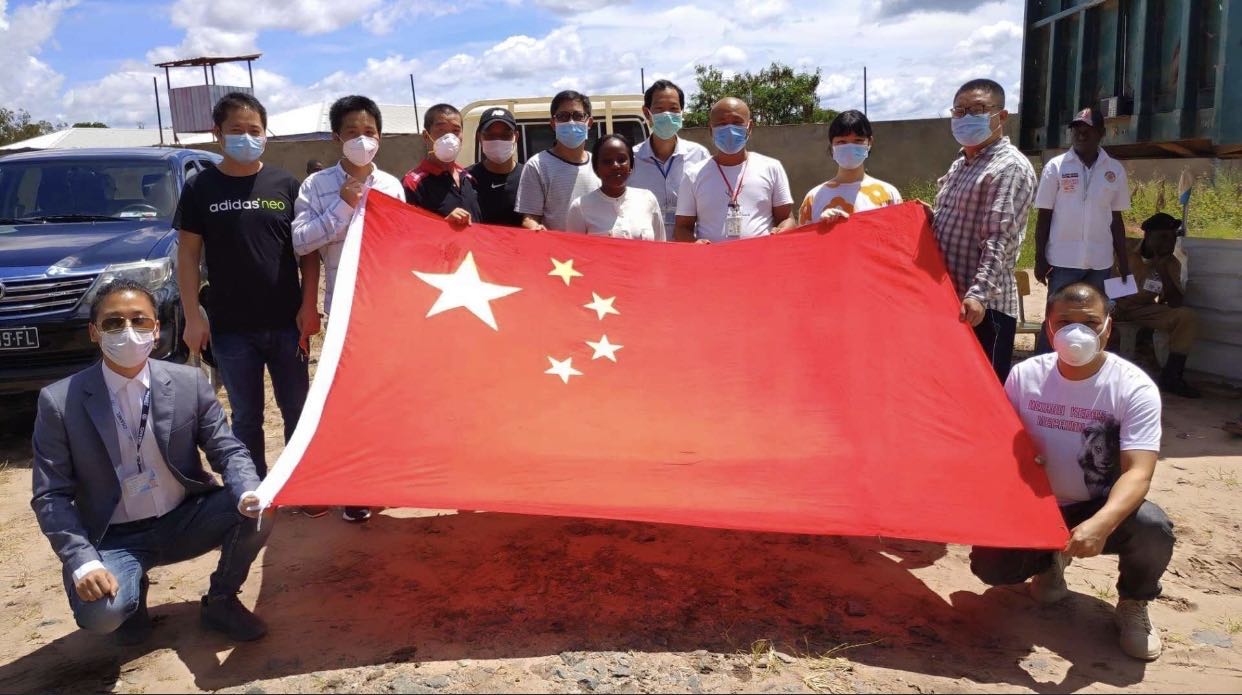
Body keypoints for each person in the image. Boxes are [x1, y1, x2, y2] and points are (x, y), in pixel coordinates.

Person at [31, 280, 271, 646]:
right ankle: (131, 598)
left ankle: (221, 601)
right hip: (114, 537)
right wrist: (82, 561)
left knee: (263, 510)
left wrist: (247, 489)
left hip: (184, 519)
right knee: (102, 614)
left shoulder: (189, 383)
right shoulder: (60, 402)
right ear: (94, 332)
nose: (128, 331)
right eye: (113, 322)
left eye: (139, 320)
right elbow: (51, 495)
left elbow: (228, 449)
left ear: (156, 330)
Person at [971, 282, 1175, 662]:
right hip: (1038, 504)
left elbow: (1139, 472)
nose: (1076, 332)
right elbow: (1000, 442)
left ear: (1108, 327)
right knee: (990, 566)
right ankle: (1050, 561)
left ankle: (1134, 602)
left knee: (1152, 528)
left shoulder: (1133, 388)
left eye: (1090, 322)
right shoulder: (1024, 375)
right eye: (1065, 322)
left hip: (1098, 504)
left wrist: (1102, 523)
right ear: (1049, 328)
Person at [175, 92, 320, 480]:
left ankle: (300, 483)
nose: (246, 137)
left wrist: (309, 305)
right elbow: (187, 256)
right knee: (246, 417)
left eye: (254, 130)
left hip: (287, 323)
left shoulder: (285, 184)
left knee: (298, 409)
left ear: (265, 134)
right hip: (231, 327)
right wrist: (193, 316)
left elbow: (307, 252)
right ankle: (251, 489)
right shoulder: (200, 188)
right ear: (217, 133)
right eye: (236, 129)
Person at [292, 96, 405, 523]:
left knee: (384, 398)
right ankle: (353, 488)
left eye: (369, 132)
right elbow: (301, 241)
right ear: (336, 136)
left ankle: (383, 478)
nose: (362, 140)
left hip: (385, 311)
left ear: (381, 137)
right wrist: (342, 205)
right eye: (353, 133)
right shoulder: (315, 186)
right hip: (343, 311)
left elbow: (403, 245)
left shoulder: (392, 186)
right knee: (347, 400)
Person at [932, 78, 1037, 382]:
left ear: (1001, 116)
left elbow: (999, 237)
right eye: (959, 111)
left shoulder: (1008, 167)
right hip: (951, 301)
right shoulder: (962, 164)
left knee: (982, 388)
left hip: (984, 309)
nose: (965, 118)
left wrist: (978, 295)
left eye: (977, 110)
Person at [1033, 106, 1131, 353]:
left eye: (1087, 129)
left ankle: (1087, 366)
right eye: (1076, 129)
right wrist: (1039, 258)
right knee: (1056, 319)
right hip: (1063, 261)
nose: (1081, 134)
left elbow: (1116, 219)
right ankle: (1045, 366)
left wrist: (1124, 262)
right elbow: (1044, 215)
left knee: (1094, 321)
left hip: (1100, 262)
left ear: (1101, 133)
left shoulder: (1114, 170)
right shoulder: (1056, 167)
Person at [673, 97, 795, 243]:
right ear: (711, 130)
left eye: (737, 122)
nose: (729, 129)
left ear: (749, 128)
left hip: (762, 255)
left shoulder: (772, 168)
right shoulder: (693, 175)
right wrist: (695, 244)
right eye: (722, 123)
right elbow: (682, 228)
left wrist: (782, 231)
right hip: (712, 257)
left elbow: (787, 218)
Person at [1113, 212, 1201, 398]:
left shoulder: (1171, 262)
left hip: (1143, 308)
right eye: (1163, 237)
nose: (1169, 243)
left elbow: (1176, 302)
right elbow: (1104, 278)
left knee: (1187, 317)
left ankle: (1172, 377)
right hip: (1112, 305)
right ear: (1148, 235)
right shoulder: (1124, 249)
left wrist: (1162, 270)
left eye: (1173, 238)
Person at [629, 79, 710, 235]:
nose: (667, 114)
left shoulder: (700, 155)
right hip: (647, 246)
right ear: (647, 113)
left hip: (688, 244)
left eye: (673, 109)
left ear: (681, 112)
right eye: (659, 109)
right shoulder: (631, 159)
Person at [798, 109, 902, 226]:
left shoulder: (889, 194)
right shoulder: (813, 198)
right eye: (841, 142)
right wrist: (821, 228)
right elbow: (802, 237)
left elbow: (900, 234)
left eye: (858, 140)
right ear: (832, 146)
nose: (850, 147)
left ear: (870, 143)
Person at [516, 90, 602, 232]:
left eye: (578, 116)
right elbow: (529, 218)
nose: (571, 122)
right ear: (553, 123)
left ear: (589, 122)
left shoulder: (600, 164)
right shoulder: (537, 165)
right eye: (563, 116)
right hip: (557, 247)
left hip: (595, 245)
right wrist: (534, 228)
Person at [565, 134, 664, 240]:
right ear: (596, 168)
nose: (615, 166)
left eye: (621, 160)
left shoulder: (648, 199)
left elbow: (661, 246)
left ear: (630, 166)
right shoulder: (580, 207)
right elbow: (573, 248)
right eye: (607, 161)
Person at [404, 103, 481, 228]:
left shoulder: (468, 177)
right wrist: (444, 226)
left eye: (456, 131)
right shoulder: (412, 184)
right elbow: (407, 231)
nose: (450, 138)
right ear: (426, 136)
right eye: (441, 130)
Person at [466, 107, 524, 226]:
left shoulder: (529, 176)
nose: (498, 141)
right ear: (480, 138)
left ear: (516, 137)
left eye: (505, 135)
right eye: (490, 135)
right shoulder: (466, 179)